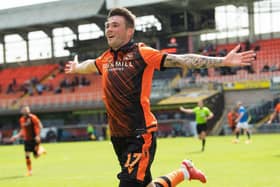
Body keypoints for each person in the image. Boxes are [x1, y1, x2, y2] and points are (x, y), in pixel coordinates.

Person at [65, 7, 255, 187]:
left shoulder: (142, 53)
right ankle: (184, 172)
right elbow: (90, 65)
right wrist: (76, 67)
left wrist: (222, 61)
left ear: (129, 31)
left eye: (115, 25)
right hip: (117, 136)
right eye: (107, 25)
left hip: (140, 134)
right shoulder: (105, 58)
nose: (109, 29)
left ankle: (184, 172)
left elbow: (182, 60)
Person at [10, 105, 46, 176]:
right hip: (27, 140)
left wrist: (38, 135)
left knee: (36, 156)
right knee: (27, 155)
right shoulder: (21, 119)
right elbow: (23, 130)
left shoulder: (33, 117)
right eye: (24, 110)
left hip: (35, 139)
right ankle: (30, 171)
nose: (26, 111)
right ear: (22, 111)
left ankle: (41, 150)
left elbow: (40, 126)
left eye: (27, 109)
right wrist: (16, 136)